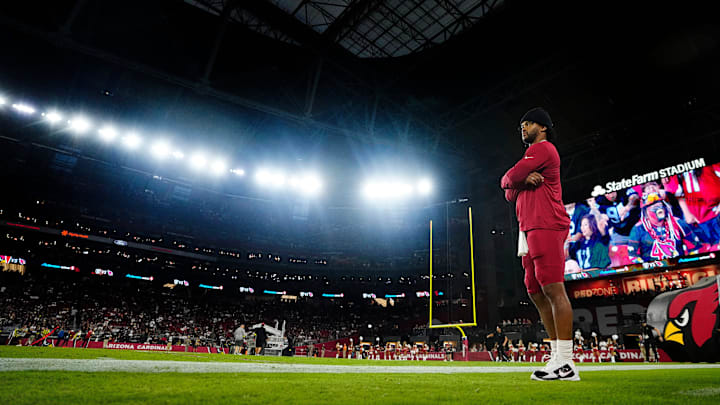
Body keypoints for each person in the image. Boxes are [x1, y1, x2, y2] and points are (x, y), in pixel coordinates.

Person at [501, 107, 578, 381]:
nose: (523, 127)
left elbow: (510, 178)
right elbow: (508, 189)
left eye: (529, 123)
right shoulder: (529, 157)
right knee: (534, 290)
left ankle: (567, 363)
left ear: (543, 127)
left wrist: (515, 179)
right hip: (528, 227)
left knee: (552, 288)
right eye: (521, 124)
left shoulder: (544, 149)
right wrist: (518, 181)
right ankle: (557, 356)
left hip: (546, 223)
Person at [628, 192, 703, 262]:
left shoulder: (678, 223)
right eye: (654, 208)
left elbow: (695, 247)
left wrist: (686, 262)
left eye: (660, 206)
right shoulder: (638, 229)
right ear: (645, 212)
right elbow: (633, 256)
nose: (659, 209)